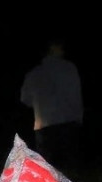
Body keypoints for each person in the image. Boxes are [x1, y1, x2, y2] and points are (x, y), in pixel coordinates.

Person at [20, 38, 83, 169]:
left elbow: (25, 99)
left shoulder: (34, 74)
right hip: (68, 122)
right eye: (59, 47)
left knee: (48, 168)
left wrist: (39, 104)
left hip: (44, 126)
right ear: (52, 49)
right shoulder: (69, 68)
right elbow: (76, 94)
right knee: (69, 168)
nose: (62, 50)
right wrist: (79, 116)